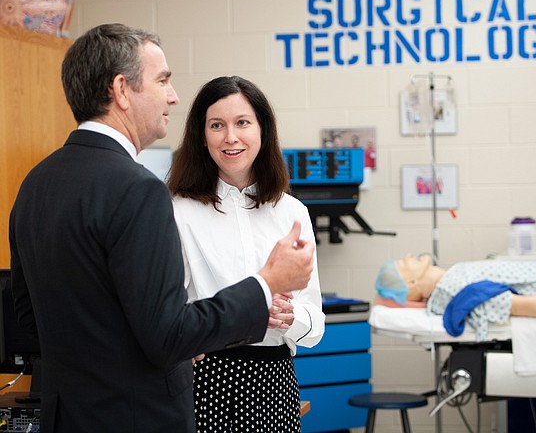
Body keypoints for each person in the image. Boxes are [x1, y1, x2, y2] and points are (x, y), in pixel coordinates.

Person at [8, 24, 314, 433]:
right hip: (136, 415)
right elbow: (167, 335)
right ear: (121, 90)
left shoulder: (35, 183)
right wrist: (266, 283)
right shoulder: (139, 190)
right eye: (163, 80)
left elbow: (29, 318)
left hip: (69, 415)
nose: (172, 96)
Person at [167, 76, 325, 432]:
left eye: (242, 123)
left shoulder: (293, 212)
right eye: (217, 125)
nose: (231, 137)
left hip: (277, 382)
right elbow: (168, 314)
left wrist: (292, 316)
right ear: (201, 135)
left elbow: (315, 326)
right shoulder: (177, 212)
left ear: (262, 130)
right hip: (208, 383)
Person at [375, 254, 536, 340]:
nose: (409, 255)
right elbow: (521, 306)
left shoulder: (452, 279)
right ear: (410, 282)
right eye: (402, 261)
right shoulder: (455, 292)